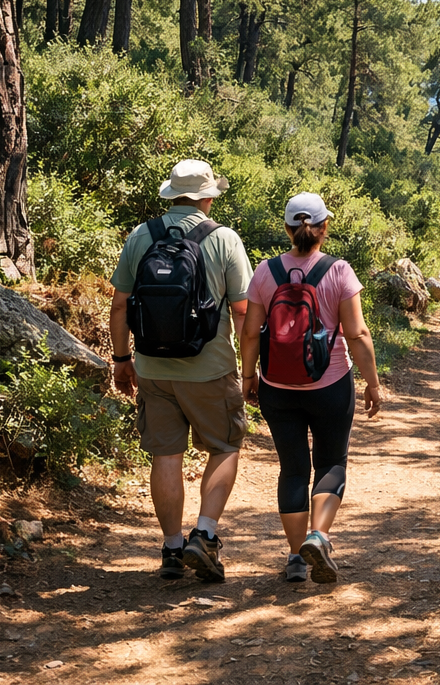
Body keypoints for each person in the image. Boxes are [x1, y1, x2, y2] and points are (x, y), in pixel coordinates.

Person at [109, 159, 253, 584]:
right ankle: (204, 536)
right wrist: (249, 371)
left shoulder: (142, 235)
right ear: (208, 197)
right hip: (211, 369)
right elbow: (243, 311)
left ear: (172, 195)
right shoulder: (224, 239)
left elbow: (120, 305)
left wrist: (121, 359)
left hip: (153, 368)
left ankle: (172, 547)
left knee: (166, 455)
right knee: (225, 447)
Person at [239, 193, 384, 584]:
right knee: (331, 462)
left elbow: (250, 332)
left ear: (288, 229)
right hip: (330, 384)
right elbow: (357, 334)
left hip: (276, 386)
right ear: (324, 228)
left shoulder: (265, 271)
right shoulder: (339, 271)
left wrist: (249, 377)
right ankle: (318, 536)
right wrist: (372, 383)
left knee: (292, 469)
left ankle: (295, 559)